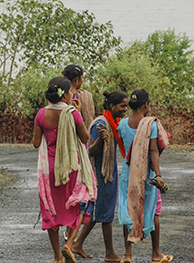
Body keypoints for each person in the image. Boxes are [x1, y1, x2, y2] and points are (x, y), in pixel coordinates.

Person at [33, 76, 97, 263]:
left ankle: (57, 257)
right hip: (71, 169)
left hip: (50, 171)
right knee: (77, 204)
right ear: (65, 94)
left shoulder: (41, 114)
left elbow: (37, 143)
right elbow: (85, 139)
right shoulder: (72, 113)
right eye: (70, 92)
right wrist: (77, 113)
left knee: (51, 210)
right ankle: (69, 243)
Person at [117, 89, 173, 263]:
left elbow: (125, 148)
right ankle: (156, 253)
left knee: (128, 211)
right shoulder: (151, 125)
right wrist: (158, 175)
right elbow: (154, 151)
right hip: (146, 176)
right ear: (146, 105)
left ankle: (127, 255)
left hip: (128, 174)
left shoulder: (122, 124)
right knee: (153, 211)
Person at [72, 90, 127, 262]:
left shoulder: (114, 123)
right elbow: (90, 150)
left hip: (108, 173)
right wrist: (101, 141)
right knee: (105, 214)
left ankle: (77, 243)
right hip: (101, 175)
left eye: (126, 106)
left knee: (101, 212)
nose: (125, 109)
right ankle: (109, 252)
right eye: (122, 106)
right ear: (112, 106)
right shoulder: (100, 124)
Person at [61, 64, 96, 246]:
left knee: (68, 188)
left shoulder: (59, 97)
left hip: (64, 149)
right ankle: (72, 232)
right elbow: (90, 122)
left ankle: (67, 228)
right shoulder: (86, 97)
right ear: (77, 80)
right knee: (82, 189)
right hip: (81, 147)